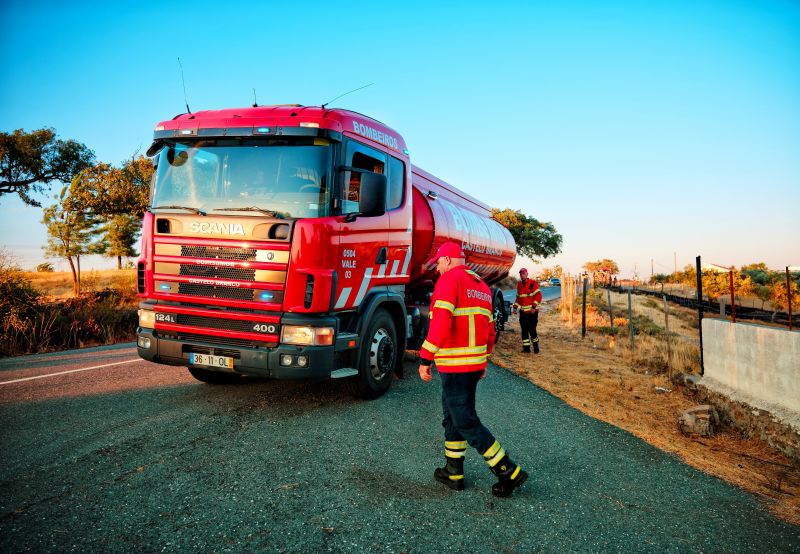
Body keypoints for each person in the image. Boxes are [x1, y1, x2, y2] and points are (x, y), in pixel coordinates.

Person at [418, 242, 527, 498]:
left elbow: (441, 322)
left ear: (447, 260)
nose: (438, 268)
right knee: (453, 417)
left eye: (439, 262)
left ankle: (508, 471)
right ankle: (453, 472)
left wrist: (425, 357)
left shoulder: (448, 280)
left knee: (465, 420)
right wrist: (483, 361)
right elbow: (490, 329)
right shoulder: (481, 286)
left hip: (455, 365)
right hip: (471, 364)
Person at [512, 268, 542, 353]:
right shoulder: (519, 285)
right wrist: (515, 307)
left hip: (532, 312)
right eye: (521, 274)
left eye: (523, 273)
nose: (522, 275)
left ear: (527, 274)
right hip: (523, 313)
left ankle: (536, 347)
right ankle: (526, 348)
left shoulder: (533, 283)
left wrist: (533, 307)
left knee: (532, 330)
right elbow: (518, 298)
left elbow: (538, 296)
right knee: (524, 330)